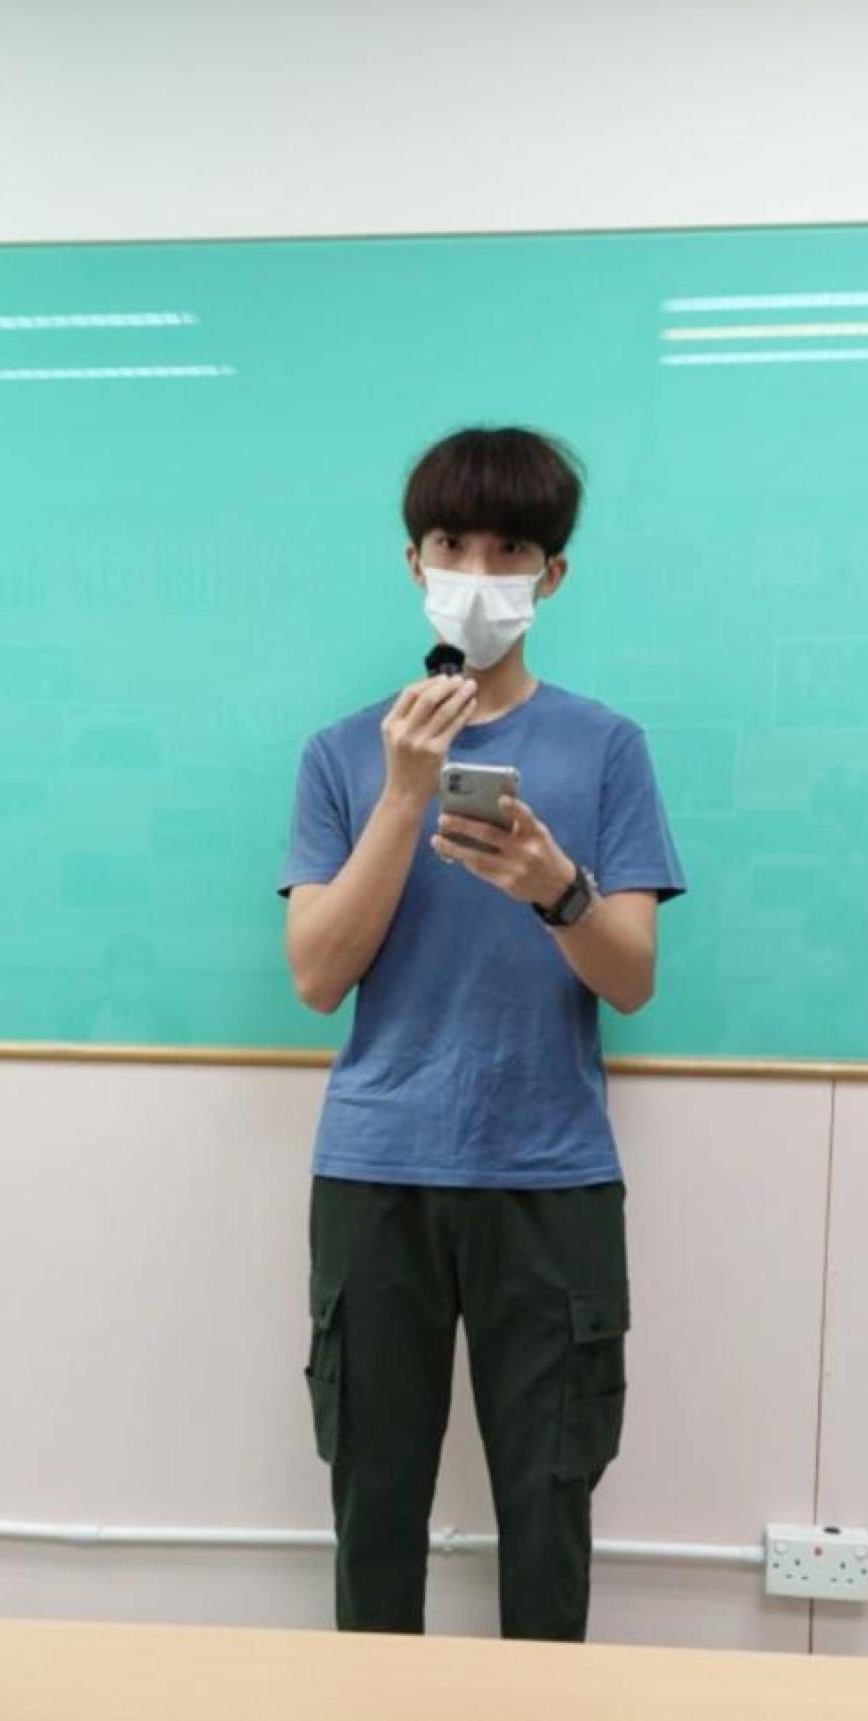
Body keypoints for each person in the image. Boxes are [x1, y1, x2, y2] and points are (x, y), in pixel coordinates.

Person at [277, 425, 686, 1641]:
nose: (476, 572)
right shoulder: (341, 753)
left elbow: (631, 980)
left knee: (548, 1513)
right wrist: (406, 791)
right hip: (377, 1168)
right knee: (374, 1510)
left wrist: (557, 887)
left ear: (551, 574)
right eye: (452, 542)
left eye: (510, 550)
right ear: (412, 559)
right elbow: (316, 976)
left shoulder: (606, 748)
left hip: (549, 1174)